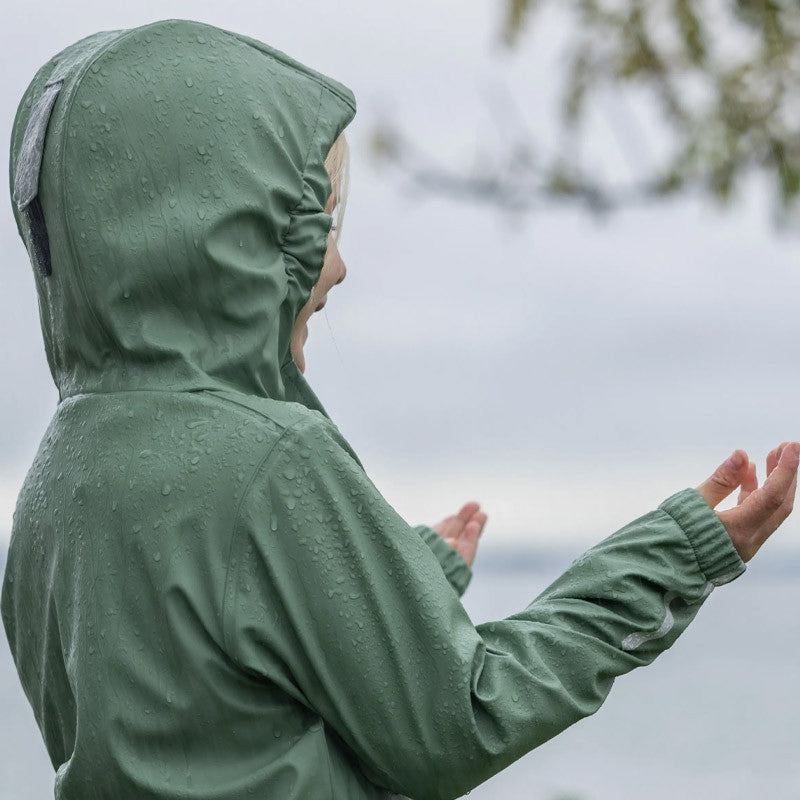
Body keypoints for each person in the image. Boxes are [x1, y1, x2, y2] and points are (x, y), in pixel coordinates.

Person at [1, 17, 796, 800]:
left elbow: (211, 678)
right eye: (311, 221)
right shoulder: (270, 460)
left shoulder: (51, 483)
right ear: (214, 237)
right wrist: (677, 554)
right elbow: (464, 720)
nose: (338, 267)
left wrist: (414, 574)